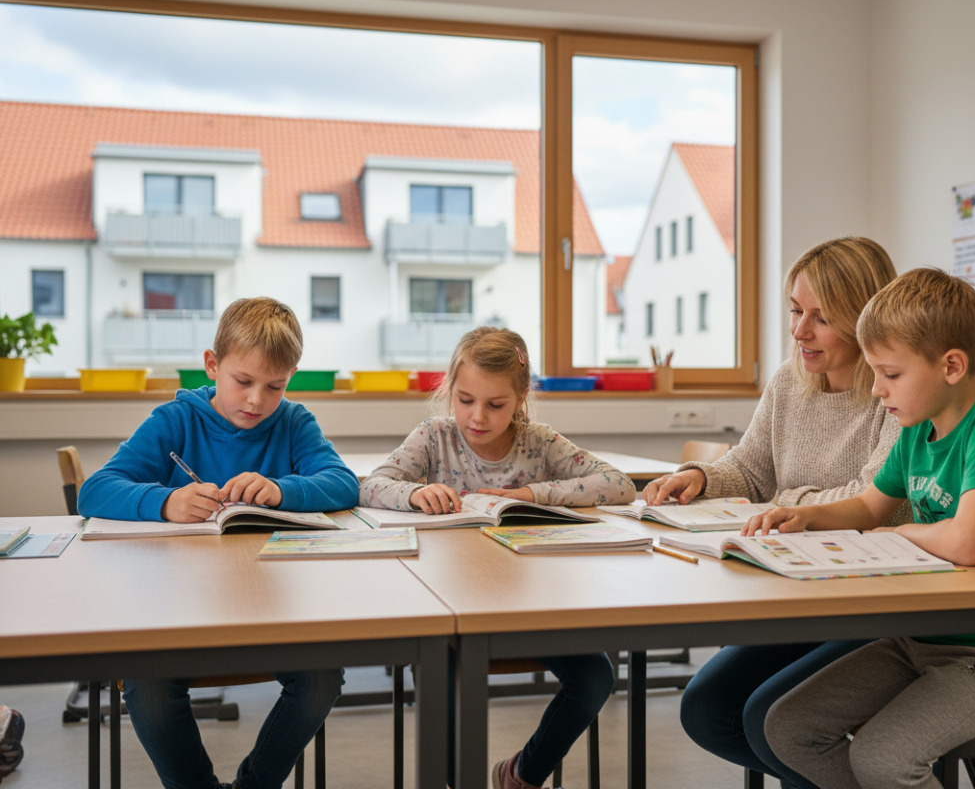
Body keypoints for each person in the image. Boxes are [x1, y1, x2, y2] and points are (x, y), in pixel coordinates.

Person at [751, 267, 975, 789]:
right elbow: (870, 506)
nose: (876, 390)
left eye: (890, 375)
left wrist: (897, 537)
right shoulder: (918, 430)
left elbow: (968, 542)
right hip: (921, 639)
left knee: (882, 760)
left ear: (952, 366)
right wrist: (806, 516)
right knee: (789, 728)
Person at [643, 236, 910, 789]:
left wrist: (781, 503)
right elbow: (750, 466)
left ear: (866, 321)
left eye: (820, 318)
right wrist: (701, 478)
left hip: (871, 604)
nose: (799, 331)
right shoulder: (791, 380)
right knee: (706, 709)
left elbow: (877, 504)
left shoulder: (899, 391)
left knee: (770, 720)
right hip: (795, 594)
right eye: (795, 312)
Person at [78, 297, 358, 789]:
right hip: (177, 606)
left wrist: (281, 489)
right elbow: (95, 490)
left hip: (268, 606)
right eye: (243, 382)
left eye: (275, 386)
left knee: (320, 677)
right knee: (146, 684)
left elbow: (343, 482)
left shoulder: (293, 422)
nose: (256, 400)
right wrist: (165, 503)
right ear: (213, 364)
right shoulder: (175, 420)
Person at [359, 325, 634, 789]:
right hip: (449, 607)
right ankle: (450, 780)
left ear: (522, 397)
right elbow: (370, 484)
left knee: (594, 678)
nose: (478, 417)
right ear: (449, 390)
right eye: (465, 400)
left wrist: (533, 492)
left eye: (496, 405)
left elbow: (619, 484)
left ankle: (521, 775)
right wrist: (417, 493)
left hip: (528, 607)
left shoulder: (539, 442)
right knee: (442, 680)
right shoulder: (434, 437)